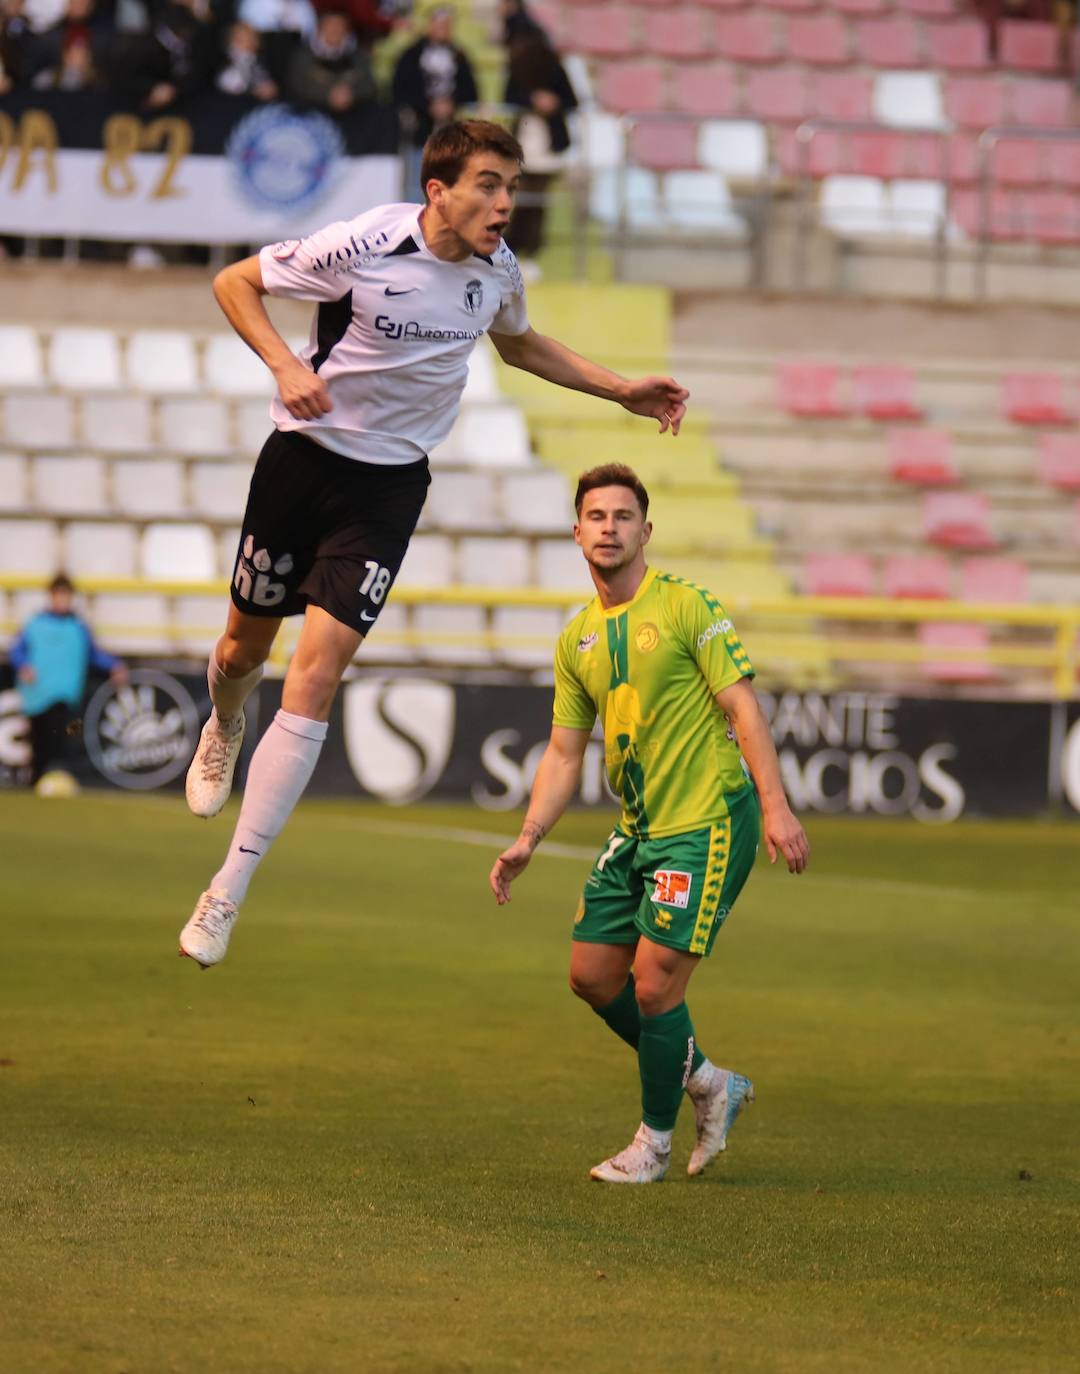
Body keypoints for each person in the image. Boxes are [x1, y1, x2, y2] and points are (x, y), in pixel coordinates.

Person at [177, 118, 689, 970]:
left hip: (388, 489)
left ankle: (227, 889)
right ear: (438, 191)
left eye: (513, 187)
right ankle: (224, 721)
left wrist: (619, 390)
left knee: (316, 673)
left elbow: (519, 342)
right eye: (488, 184)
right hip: (301, 464)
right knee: (242, 647)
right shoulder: (362, 244)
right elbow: (236, 283)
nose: (504, 204)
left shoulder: (498, 272)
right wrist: (283, 364)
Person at [488, 464, 809, 1184]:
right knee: (592, 974)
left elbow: (743, 709)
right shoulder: (577, 640)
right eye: (596, 516)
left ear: (646, 530)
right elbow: (565, 755)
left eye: (623, 516)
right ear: (577, 533)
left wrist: (778, 805)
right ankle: (708, 1080)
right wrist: (528, 837)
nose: (609, 528)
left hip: (706, 820)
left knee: (655, 987)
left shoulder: (688, 606)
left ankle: (653, 1144)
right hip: (640, 829)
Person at [8, 573, 128, 789]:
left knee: (62, 740)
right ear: (51, 596)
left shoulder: (78, 628)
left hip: (65, 695)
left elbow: (92, 654)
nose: (62, 600)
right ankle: (36, 781)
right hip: (38, 694)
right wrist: (24, 666)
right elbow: (17, 650)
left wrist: (113, 665)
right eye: (58, 595)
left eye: (65, 596)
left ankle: (55, 780)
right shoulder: (35, 624)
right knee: (40, 740)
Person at [502, 28, 577, 265]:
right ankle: (512, 248)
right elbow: (508, 99)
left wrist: (553, 102)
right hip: (524, 144)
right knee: (521, 200)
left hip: (548, 147)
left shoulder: (556, 70)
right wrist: (532, 101)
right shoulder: (517, 72)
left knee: (537, 203)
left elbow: (572, 100)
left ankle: (529, 251)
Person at [391, 6, 478, 200]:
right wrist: (428, 106)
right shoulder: (411, 56)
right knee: (417, 182)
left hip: (450, 132)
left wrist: (451, 103)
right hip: (419, 130)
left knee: (449, 182)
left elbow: (471, 91)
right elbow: (400, 90)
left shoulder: (460, 56)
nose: (442, 30)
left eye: (446, 26)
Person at [285, 7, 375, 114]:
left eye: (340, 26)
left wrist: (351, 94)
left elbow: (369, 85)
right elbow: (296, 85)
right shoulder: (304, 55)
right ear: (319, 29)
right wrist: (328, 95)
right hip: (314, 112)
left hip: (354, 111)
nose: (335, 30)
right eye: (330, 25)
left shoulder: (358, 55)